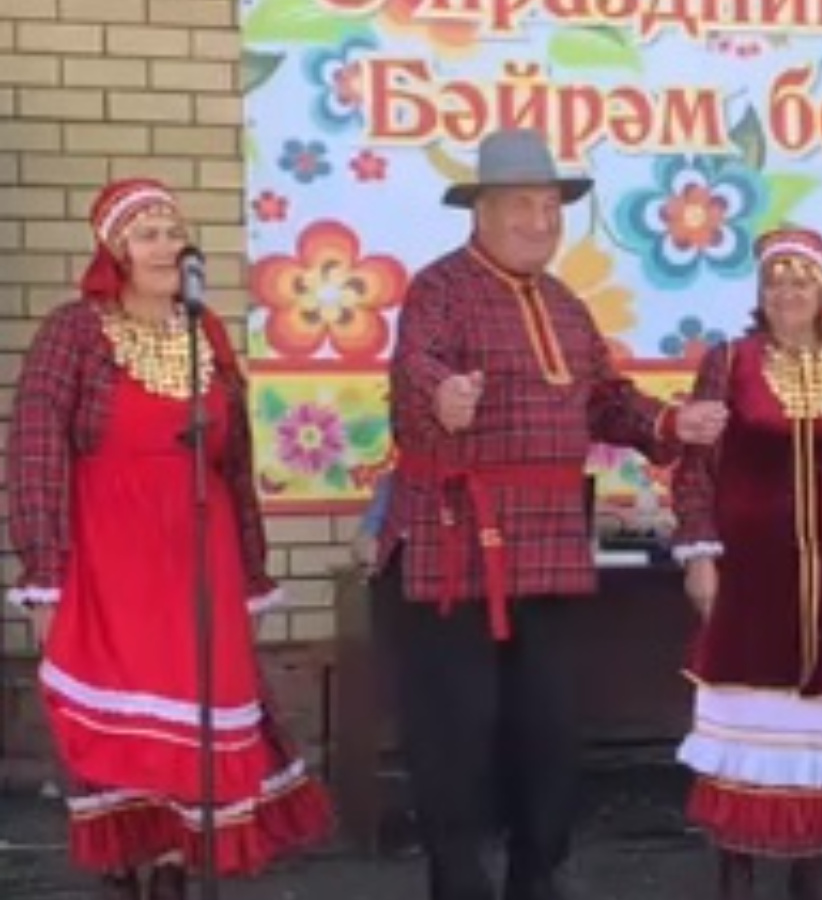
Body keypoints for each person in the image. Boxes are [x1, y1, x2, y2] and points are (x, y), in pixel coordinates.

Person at [379, 127, 728, 900]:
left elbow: (606, 401)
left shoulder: (567, 306)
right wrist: (441, 397)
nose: (540, 221)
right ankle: (458, 885)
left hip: (548, 541)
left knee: (548, 731)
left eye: (550, 207)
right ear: (481, 210)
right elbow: (415, 370)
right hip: (456, 541)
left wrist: (672, 422)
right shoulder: (440, 289)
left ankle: (536, 877)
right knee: (455, 737)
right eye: (522, 205)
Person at [5, 178, 332, 899]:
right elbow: (35, 448)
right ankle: (129, 860)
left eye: (173, 233)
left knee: (198, 702)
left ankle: (175, 867)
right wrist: (45, 572)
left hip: (199, 553)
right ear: (114, 250)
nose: (164, 247)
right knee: (121, 708)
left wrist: (251, 573)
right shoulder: (75, 330)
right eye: (146, 235)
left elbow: (235, 461)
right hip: (108, 555)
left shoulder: (203, 331)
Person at [671, 227, 822, 900]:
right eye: (775, 281)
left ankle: (810, 871)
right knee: (748, 717)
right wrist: (699, 551)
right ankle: (737, 874)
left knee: (820, 728)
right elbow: (697, 467)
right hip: (750, 577)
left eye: (800, 280)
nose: (787, 293)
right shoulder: (732, 362)